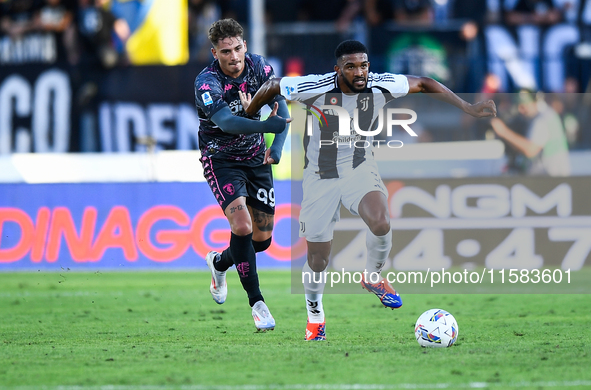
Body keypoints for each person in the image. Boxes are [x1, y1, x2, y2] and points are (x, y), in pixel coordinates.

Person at [244, 40, 496, 341]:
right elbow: (273, 85)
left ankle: (373, 277)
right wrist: (250, 112)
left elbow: (426, 83)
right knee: (318, 260)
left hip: (358, 166)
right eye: (351, 66)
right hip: (319, 176)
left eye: (363, 64)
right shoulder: (315, 86)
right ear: (338, 70)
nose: (360, 71)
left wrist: (467, 107)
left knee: (381, 221)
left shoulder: (380, 85)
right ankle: (316, 316)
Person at [194, 18, 291, 331]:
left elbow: (280, 106)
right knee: (242, 225)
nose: (233, 56)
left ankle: (219, 262)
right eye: (225, 51)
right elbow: (226, 123)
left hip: (256, 159)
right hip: (220, 160)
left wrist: (277, 147)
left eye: (237, 48)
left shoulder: (259, 67)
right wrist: (266, 126)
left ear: (245, 46)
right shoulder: (206, 83)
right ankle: (258, 304)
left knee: (260, 241)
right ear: (215, 53)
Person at [490, 91, 571, 176]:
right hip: (553, 178)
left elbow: (531, 150)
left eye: (524, 106)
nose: (521, 111)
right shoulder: (544, 115)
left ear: (534, 101)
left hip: (551, 179)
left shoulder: (542, 118)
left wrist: (504, 131)